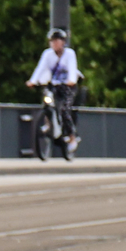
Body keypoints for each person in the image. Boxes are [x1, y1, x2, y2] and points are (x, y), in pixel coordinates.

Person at [27, 28, 81, 157]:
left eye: (57, 41)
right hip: (54, 85)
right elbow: (41, 68)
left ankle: (72, 137)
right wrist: (33, 81)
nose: (54, 44)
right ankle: (48, 123)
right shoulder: (47, 54)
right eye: (52, 41)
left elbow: (72, 69)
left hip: (67, 86)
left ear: (63, 42)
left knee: (64, 109)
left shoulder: (69, 54)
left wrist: (71, 80)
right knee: (47, 102)